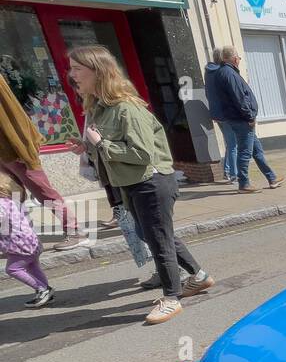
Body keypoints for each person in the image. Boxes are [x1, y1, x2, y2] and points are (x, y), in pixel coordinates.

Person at [66, 45, 214, 325]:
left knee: (158, 240)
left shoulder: (126, 108)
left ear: (98, 71)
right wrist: (87, 146)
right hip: (130, 183)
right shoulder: (99, 108)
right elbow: (112, 147)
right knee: (151, 234)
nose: (72, 75)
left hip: (151, 181)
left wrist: (103, 145)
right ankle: (199, 276)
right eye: (71, 68)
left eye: (77, 69)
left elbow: (142, 154)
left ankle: (171, 298)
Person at [0, 72, 86, 251]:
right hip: (5, 154)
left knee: (43, 193)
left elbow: (13, 119)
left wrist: (26, 153)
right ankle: (24, 240)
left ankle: (75, 231)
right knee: (9, 198)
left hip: (16, 151)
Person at [204, 47, 282, 192]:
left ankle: (272, 177)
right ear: (234, 59)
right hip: (242, 119)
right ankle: (244, 183)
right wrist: (249, 116)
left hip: (236, 117)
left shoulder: (223, 73)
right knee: (245, 152)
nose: (239, 60)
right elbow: (239, 98)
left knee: (256, 150)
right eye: (239, 57)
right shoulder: (229, 74)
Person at [0, 169, 54, 307]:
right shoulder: (13, 201)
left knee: (13, 269)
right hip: (29, 241)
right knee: (32, 266)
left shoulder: (2, 204)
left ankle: (43, 289)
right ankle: (46, 290)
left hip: (20, 244)